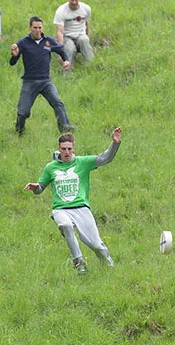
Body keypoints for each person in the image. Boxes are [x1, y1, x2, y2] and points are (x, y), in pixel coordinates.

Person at [24, 127, 121, 274]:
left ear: (73, 148)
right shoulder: (50, 168)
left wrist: (115, 143)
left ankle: (110, 268)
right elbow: (40, 189)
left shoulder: (83, 162)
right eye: (64, 149)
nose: (67, 152)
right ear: (59, 149)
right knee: (65, 225)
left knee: (96, 245)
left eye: (69, 148)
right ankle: (78, 261)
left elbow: (105, 158)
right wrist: (35, 187)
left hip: (81, 208)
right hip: (60, 209)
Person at [9, 16, 73, 135]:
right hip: (29, 82)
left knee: (58, 103)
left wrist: (66, 60)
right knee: (23, 112)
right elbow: (12, 63)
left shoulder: (48, 41)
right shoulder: (23, 42)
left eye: (39, 27)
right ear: (30, 27)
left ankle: (65, 128)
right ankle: (19, 130)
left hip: (46, 81)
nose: (37, 30)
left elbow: (61, 50)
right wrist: (14, 55)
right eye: (35, 28)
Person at [53, 0, 94, 64]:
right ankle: (68, 71)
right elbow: (60, 32)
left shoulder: (86, 9)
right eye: (72, 0)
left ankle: (92, 66)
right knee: (70, 48)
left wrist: (87, 36)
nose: (74, 2)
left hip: (80, 35)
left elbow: (86, 23)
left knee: (84, 40)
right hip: (67, 36)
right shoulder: (61, 11)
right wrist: (60, 50)